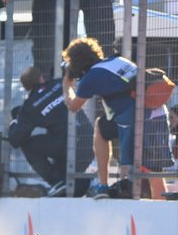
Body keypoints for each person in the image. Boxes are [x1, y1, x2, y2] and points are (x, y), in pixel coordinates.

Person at [62, 36, 169, 199]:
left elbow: (73, 106)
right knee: (154, 170)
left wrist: (66, 86)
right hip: (158, 111)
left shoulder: (90, 77)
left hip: (135, 117)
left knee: (101, 128)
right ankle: (164, 212)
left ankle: (102, 186)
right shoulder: (118, 60)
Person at [7, 66, 90, 196]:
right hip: (89, 139)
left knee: (29, 146)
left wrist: (15, 121)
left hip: (69, 146)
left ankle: (57, 182)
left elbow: (16, 139)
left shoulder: (29, 107)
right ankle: (79, 185)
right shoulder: (59, 83)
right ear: (41, 78)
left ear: (25, 88)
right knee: (54, 137)